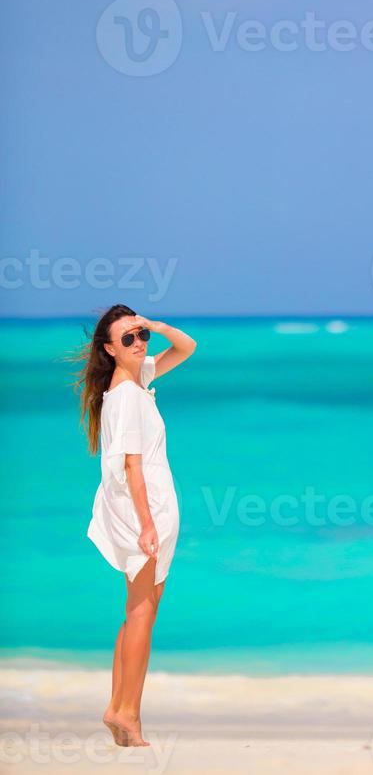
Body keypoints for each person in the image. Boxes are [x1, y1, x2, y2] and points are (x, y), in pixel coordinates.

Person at [71, 304, 197, 747]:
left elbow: (187, 347)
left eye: (140, 335)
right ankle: (128, 714)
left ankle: (119, 708)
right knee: (143, 612)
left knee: (138, 610)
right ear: (109, 349)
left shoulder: (136, 379)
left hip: (148, 509)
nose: (139, 343)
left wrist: (158, 326)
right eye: (128, 338)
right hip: (145, 512)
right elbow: (131, 466)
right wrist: (147, 525)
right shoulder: (125, 395)